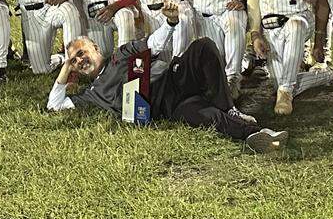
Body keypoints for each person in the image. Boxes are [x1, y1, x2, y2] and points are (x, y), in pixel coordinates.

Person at [46, 20, 288, 153]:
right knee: (203, 117)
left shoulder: (121, 55)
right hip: (169, 106)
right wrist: (66, 67)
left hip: (175, 77)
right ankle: (257, 135)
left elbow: (153, 44)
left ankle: (229, 108)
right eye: (74, 60)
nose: (80, 60)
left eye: (81, 53)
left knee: (203, 45)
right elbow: (54, 105)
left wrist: (171, 23)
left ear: (96, 49)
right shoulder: (92, 95)